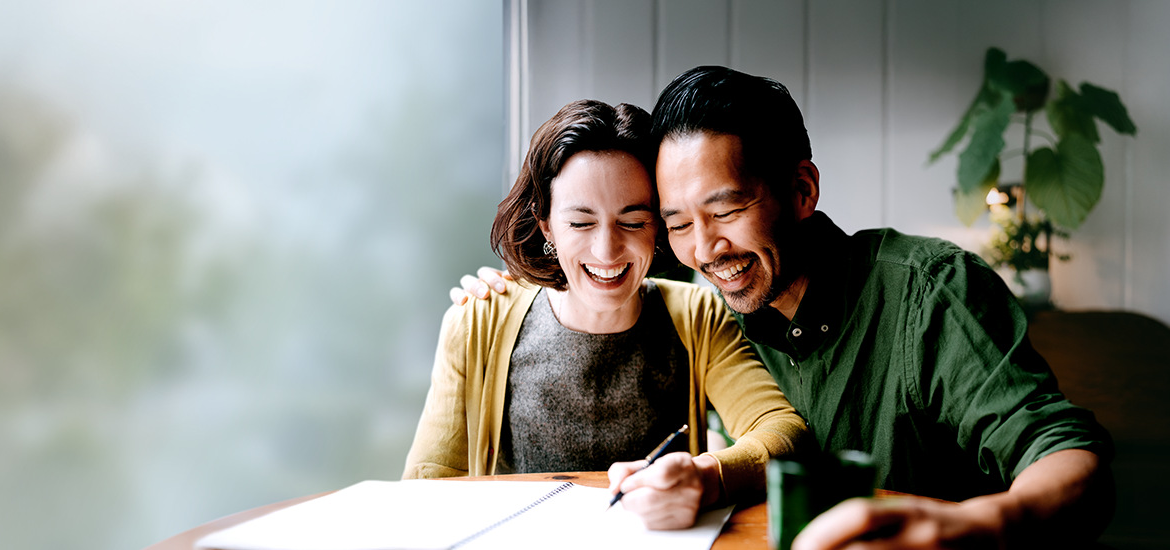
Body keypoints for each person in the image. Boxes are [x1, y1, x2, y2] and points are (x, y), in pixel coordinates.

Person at [456, 67, 1114, 548]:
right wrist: (498, 294)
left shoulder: (926, 289)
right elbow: (597, 263)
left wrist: (979, 522)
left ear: (800, 190)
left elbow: (1065, 452)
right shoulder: (702, 307)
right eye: (676, 223)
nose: (704, 248)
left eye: (727, 210)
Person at [403, 99, 809, 530]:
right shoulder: (479, 319)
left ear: (658, 227)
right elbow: (426, 488)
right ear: (546, 227)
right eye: (581, 223)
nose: (606, 251)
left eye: (633, 221)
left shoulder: (698, 315)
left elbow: (782, 431)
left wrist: (705, 475)